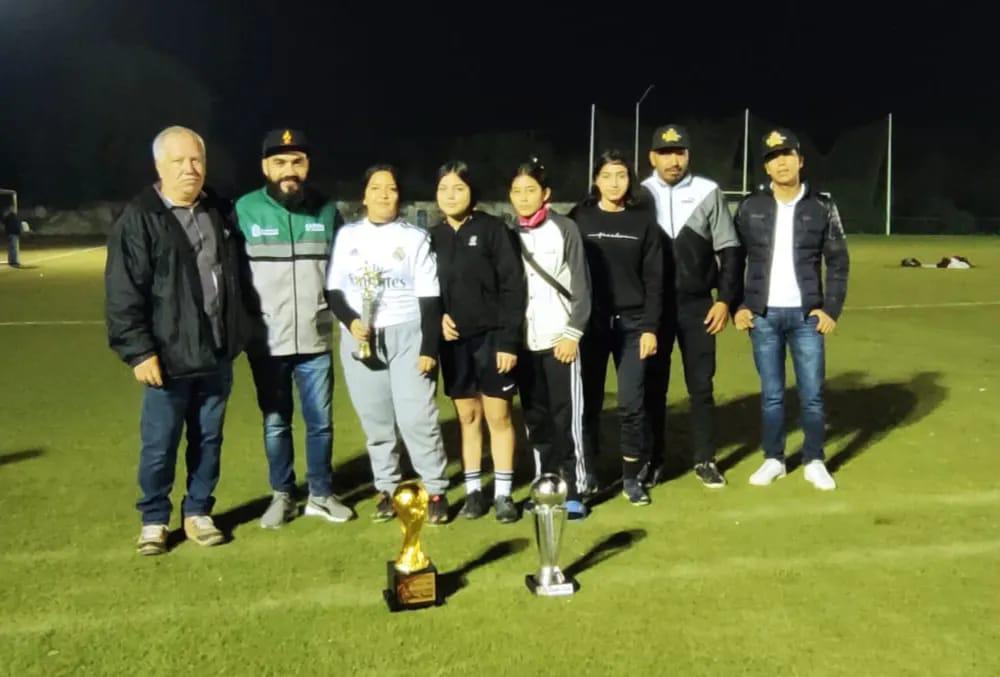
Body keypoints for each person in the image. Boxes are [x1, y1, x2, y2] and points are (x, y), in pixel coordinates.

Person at [105, 126, 247, 555]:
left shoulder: (220, 210)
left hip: (216, 353)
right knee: (160, 444)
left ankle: (198, 511)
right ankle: (153, 519)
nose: (190, 169)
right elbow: (123, 291)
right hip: (166, 359)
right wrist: (139, 351)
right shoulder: (140, 217)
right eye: (179, 161)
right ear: (159, 166)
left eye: (196, 160)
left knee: (209, 440)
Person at [235, 128, 353, 528]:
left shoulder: (326, 210)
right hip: (267, 342)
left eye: (297, 162)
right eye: (281, 162)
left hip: (316, 338)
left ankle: (320, 493)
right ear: (265, 166)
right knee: (275, 422)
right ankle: (282, 495)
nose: (290, 170)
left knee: (321, 423)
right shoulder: (243, 210)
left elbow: (343, 273)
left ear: (308, 166)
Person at [324, 164, 451, 523]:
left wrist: (429, 349)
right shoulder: (348, 236)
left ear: (399, 195)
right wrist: (351, 322)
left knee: (417, 418)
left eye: (391, 189)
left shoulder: (414, 237)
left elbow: (430, 299)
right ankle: (388, 488)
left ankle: (436, 488)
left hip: (407, 334)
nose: (384, 194)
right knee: (377, 422)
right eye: (376, 188)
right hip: (360, 339)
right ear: (364, 196)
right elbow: (333, 290)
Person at [733, 127, 849, 491]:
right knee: (771, 394)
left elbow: (839, 261)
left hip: (806, 317)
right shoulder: (750, 206)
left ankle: (814, 459)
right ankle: (774, 459)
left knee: (812, 394)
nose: (780, 162)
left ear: (800, 160)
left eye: (786, 155)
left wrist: (830, 309)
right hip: (763, 316)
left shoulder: (822, 206)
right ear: (766, 169)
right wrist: (738, 304)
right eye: (772, 158)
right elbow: (732, 260)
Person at [640, 124, 744, 488]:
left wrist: (726, 301)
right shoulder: (640, 195)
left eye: (679, 152)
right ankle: (653, 461)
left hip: (698, 306)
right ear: (652, 157)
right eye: (665, 153)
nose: (673, 160)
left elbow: (729, 249)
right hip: (653, 310)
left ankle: (705, 459)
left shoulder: (708, 191)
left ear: (688, 156)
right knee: (653, 387)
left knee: (701, 387)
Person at [430, 161, 526, 522]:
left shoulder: (492, 230)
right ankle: (473, 491)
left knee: (497, 416)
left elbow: (513, 286)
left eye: (458, 188)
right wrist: (438, 317)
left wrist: (507, 341)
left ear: (472, 193)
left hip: (492, 340)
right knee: (467, 417)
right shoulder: (433, 237)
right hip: (454, 345)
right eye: (443, 189)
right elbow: (426, 290)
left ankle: (503, 494)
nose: (450, 195)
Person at [571, 150, 662, 506]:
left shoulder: (643, 222)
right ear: (596, 180)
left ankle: (631, 477)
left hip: (634, 326)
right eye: (607, 175)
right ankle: (588, 471)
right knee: (588, 404)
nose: (614, 183)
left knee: (631, 404)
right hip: (590, 325)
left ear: (630, 180)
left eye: (621, 176)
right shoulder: (580, 217)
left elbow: (655, 281)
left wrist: (651, 327)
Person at [510, 157, 591, 518]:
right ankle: (545, 484)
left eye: (531, 190)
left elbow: (581, 286)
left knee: (567, 418)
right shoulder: (509, 234)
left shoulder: (565, 229)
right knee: (537, 419)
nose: (523, 197)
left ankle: (576, 486)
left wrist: (572, 334)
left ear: (546, 194)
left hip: (561, 340)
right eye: (517, 191)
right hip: (526, 345)